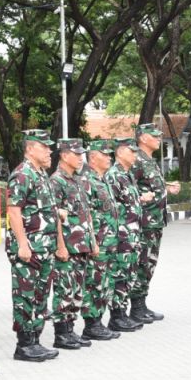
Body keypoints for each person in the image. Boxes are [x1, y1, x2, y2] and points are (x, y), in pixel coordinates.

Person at [6, 129, 61, 362]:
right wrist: (22, 244)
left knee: (40, 295)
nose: (49, 150)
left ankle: (35, 340)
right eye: (44, 146)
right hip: (29, 249)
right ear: (30, 149)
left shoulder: (41, 175)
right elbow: (14, 210)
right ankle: (24, 345)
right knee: (25, 295)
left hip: (44, 247)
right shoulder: (22, 174)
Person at [49, 138, 96, 351]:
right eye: (76, 154)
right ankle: (61, 333)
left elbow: (87, 214)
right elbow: (55, 217)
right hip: (68, 246)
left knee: (77, 290)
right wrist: (60, 245)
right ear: (64, 155)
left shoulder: (77, 180)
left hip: (82, 245)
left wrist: (93, 241)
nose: (80, 158)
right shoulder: (56, 181)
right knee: (64, 290)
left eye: (81, 155)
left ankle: (70, 329)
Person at [131, 123, 179, 322]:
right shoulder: (136, 160)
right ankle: (135, 307)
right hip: (144, 222)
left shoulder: (149, 160)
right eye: (155, 136)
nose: (159, 139)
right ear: (142, 138)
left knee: (149, 264)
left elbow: (152, 187)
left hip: (155, 221)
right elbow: (128, 188)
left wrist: (168, 188)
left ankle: (142, 303)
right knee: (141, 263)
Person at [81, 140, 122, 342]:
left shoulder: (102, 179)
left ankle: (99, 321)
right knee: (94, 283)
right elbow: (85, 213)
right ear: (93, 157)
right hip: (98, 242)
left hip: (109, 242)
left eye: (109, 155)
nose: (109, 158)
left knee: (106, 282)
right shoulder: (87, 180)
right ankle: (91, 324)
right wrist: (92, 241)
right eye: (104, 155)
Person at [105, 138, 146, 332]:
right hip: (122, 235)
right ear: (120, 152)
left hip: (133, 234)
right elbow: (112, 208)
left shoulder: (127, 175)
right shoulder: (114, 175)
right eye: (132, 151)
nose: (136, 155)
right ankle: (116, 316)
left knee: (129, 273)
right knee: (119, 274)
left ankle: (123, 312)